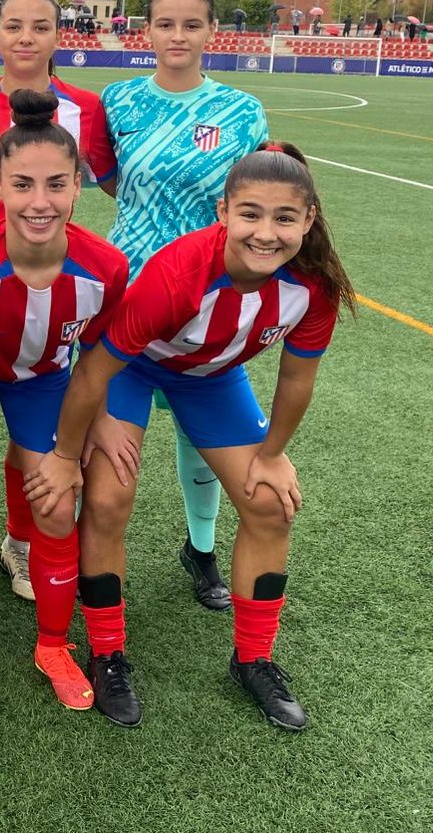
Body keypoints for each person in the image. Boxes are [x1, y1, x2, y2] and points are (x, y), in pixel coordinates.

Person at [28, 143, 353, 730]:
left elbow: (298, 379)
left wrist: (273, 456)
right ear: (222, 211)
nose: (266, 233)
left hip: (211, 378)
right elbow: (94, 371)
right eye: (250, 214)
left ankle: (254, 659)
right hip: (131, 371)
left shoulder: (314, 287)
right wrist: (65, 456)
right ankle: (107, 653)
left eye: (285, 218)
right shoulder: (178, 274)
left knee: (270, 506)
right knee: (106, 500)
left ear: (309, 219)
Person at [0, 90, 128, 716]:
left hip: (43, 381)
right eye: (24, 184)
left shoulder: (106, 268)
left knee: (59, 504)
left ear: (78, 187)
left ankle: (54, 646)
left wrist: (89, 434)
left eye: (56, 185)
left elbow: (95, 358)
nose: (40, 202)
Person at [0, 0, 116, 599]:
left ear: (59, 36)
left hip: (49, 283)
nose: (26, 37)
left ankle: (18, 540)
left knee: (32, 418)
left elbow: (116, 182)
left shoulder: (86, 109)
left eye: (41, 26)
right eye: (14, 25)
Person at [100, 0, 269, 613]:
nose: (177, 36)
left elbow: (252, 199)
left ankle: (200, 550)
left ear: (210, 31)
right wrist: (156, 236)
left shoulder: (241, 110)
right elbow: (115, 182)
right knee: (114, 454)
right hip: (131, 290)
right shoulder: (117, 101)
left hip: (214, 294)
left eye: (191, 24)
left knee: (203, 434)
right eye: (165, 24)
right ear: (146, 31)